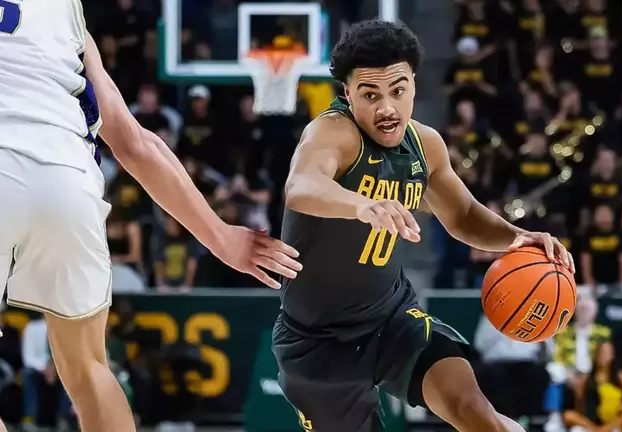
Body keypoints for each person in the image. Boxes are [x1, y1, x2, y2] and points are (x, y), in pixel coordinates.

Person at [0, 3, 302, 432]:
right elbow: (134, 142)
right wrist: (220, 236)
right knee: (89, 368)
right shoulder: (64, 10)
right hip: (66, 176)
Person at [276, 20, 574, 432]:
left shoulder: (425, 144)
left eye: (398, 91)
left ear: (414, 84)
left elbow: (464, 216)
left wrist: (516, 236)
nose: (386, 108)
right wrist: (361, 205)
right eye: (370, 94)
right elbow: (302, 185)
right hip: (317, 341)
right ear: (348, 94)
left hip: (391, 319)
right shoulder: (332, 132)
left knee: (474, 410)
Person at [563, 341, 622, 432]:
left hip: (613, 419)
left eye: (607, 353)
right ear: (595, 354)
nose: (603, 355)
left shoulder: (620, 376)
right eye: (601, 352)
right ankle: (598, 430)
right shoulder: (586, 378)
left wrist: (617, 407)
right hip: (592, 420)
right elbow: (580, 406)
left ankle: (604, 429)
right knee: (568, 415)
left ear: (612, 355)